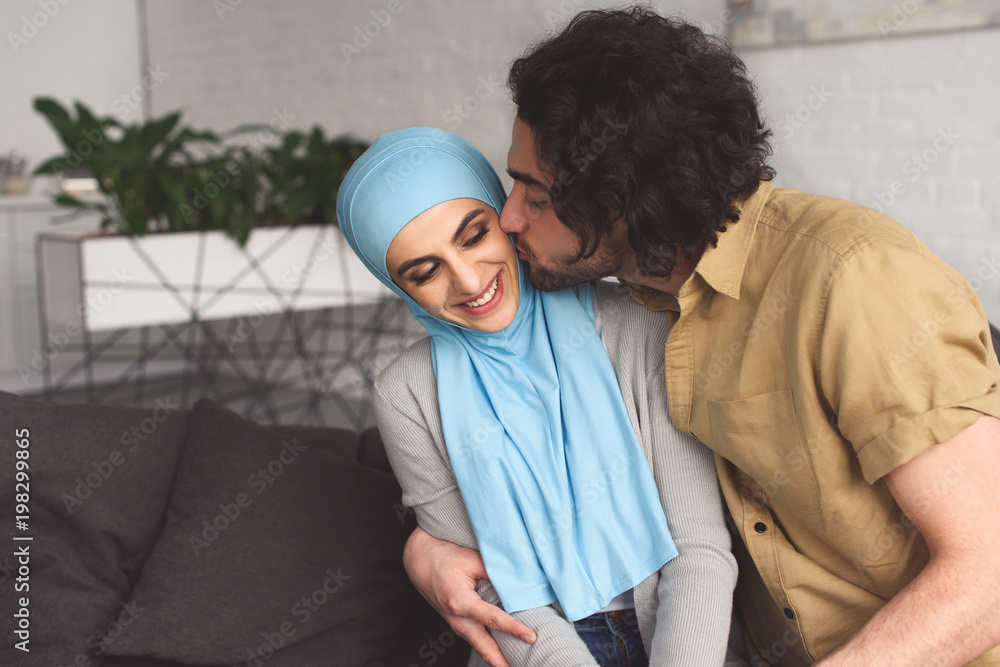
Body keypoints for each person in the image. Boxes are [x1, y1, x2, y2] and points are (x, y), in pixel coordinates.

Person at [403, 7, 1000, 667]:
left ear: (620, 200)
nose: (508, 216)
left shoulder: (854, 279)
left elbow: (989, 573)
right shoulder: (637, 305)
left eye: (536, 196)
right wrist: (426, 545)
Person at [336, 127, 742, 666]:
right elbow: (488, 583)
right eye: (425, 271)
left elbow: (700, 549)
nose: (467, 280)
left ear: (505, 220)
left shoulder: (637, 324)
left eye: (473, 236)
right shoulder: (406, 392)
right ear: (399, 288)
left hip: (685, 637)